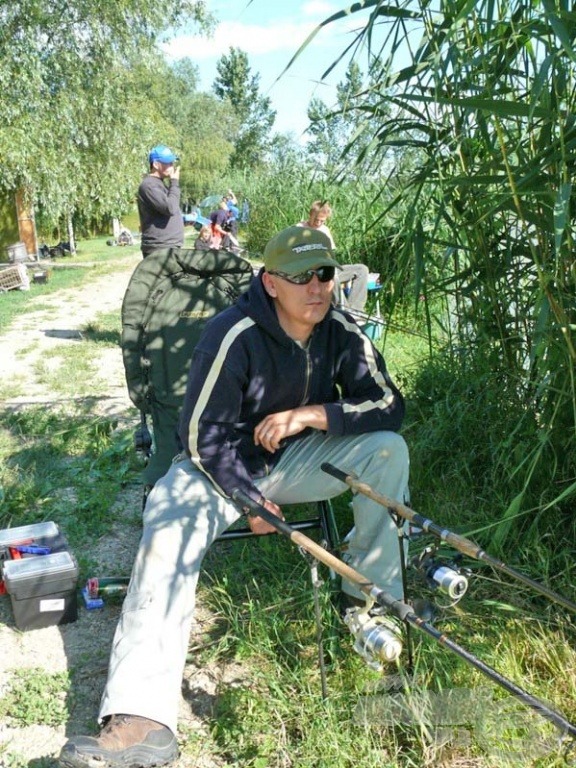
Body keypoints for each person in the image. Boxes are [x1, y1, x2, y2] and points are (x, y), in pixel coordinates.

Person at [59, 225, 409, 768]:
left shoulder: (341, 329)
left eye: (324, 274)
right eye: (300, 277)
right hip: (219, 469)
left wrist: (317, 414)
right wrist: (249, 499)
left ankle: (369, 606)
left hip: (298, 458)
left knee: (388, 449)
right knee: (167, 518)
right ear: (270, 282)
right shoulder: (232, 333)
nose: (316, 288)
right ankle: (141, 716)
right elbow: (200, 436)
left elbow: (388, 403)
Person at [297, 200, 369, 312]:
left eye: (322, 221)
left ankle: (356, 310)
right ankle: (344, 310)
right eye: (316, 220)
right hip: (311, 271)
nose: (319, 223)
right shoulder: (299, 229)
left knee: (362, 269)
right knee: (332, 277)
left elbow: (331, 253)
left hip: (328, 266)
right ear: (310, 214)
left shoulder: (325, 230)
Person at [137, 145, 184, 258]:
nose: (172, 166)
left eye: (172, 162)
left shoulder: (159, 184)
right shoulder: (148, 185)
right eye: (168, 163)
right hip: (159, 248)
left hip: (168, 246)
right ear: (156, 164)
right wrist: (174, 182)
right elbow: (170, 208)